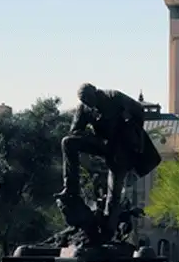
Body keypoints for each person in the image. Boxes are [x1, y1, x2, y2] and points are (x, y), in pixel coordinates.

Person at [55, 83, 146, 240]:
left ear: (95, 92)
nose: (88, 104)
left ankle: (108, 230)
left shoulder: (114, 97)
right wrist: (86, 137)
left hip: (119, 147)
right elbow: (75, 131)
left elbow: (139, 111)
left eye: (89, 99)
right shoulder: (84, 108)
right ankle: (70, 188)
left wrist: (133, 135)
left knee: (114, 191)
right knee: (67, 142)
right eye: (84, 101)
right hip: (102, 143)